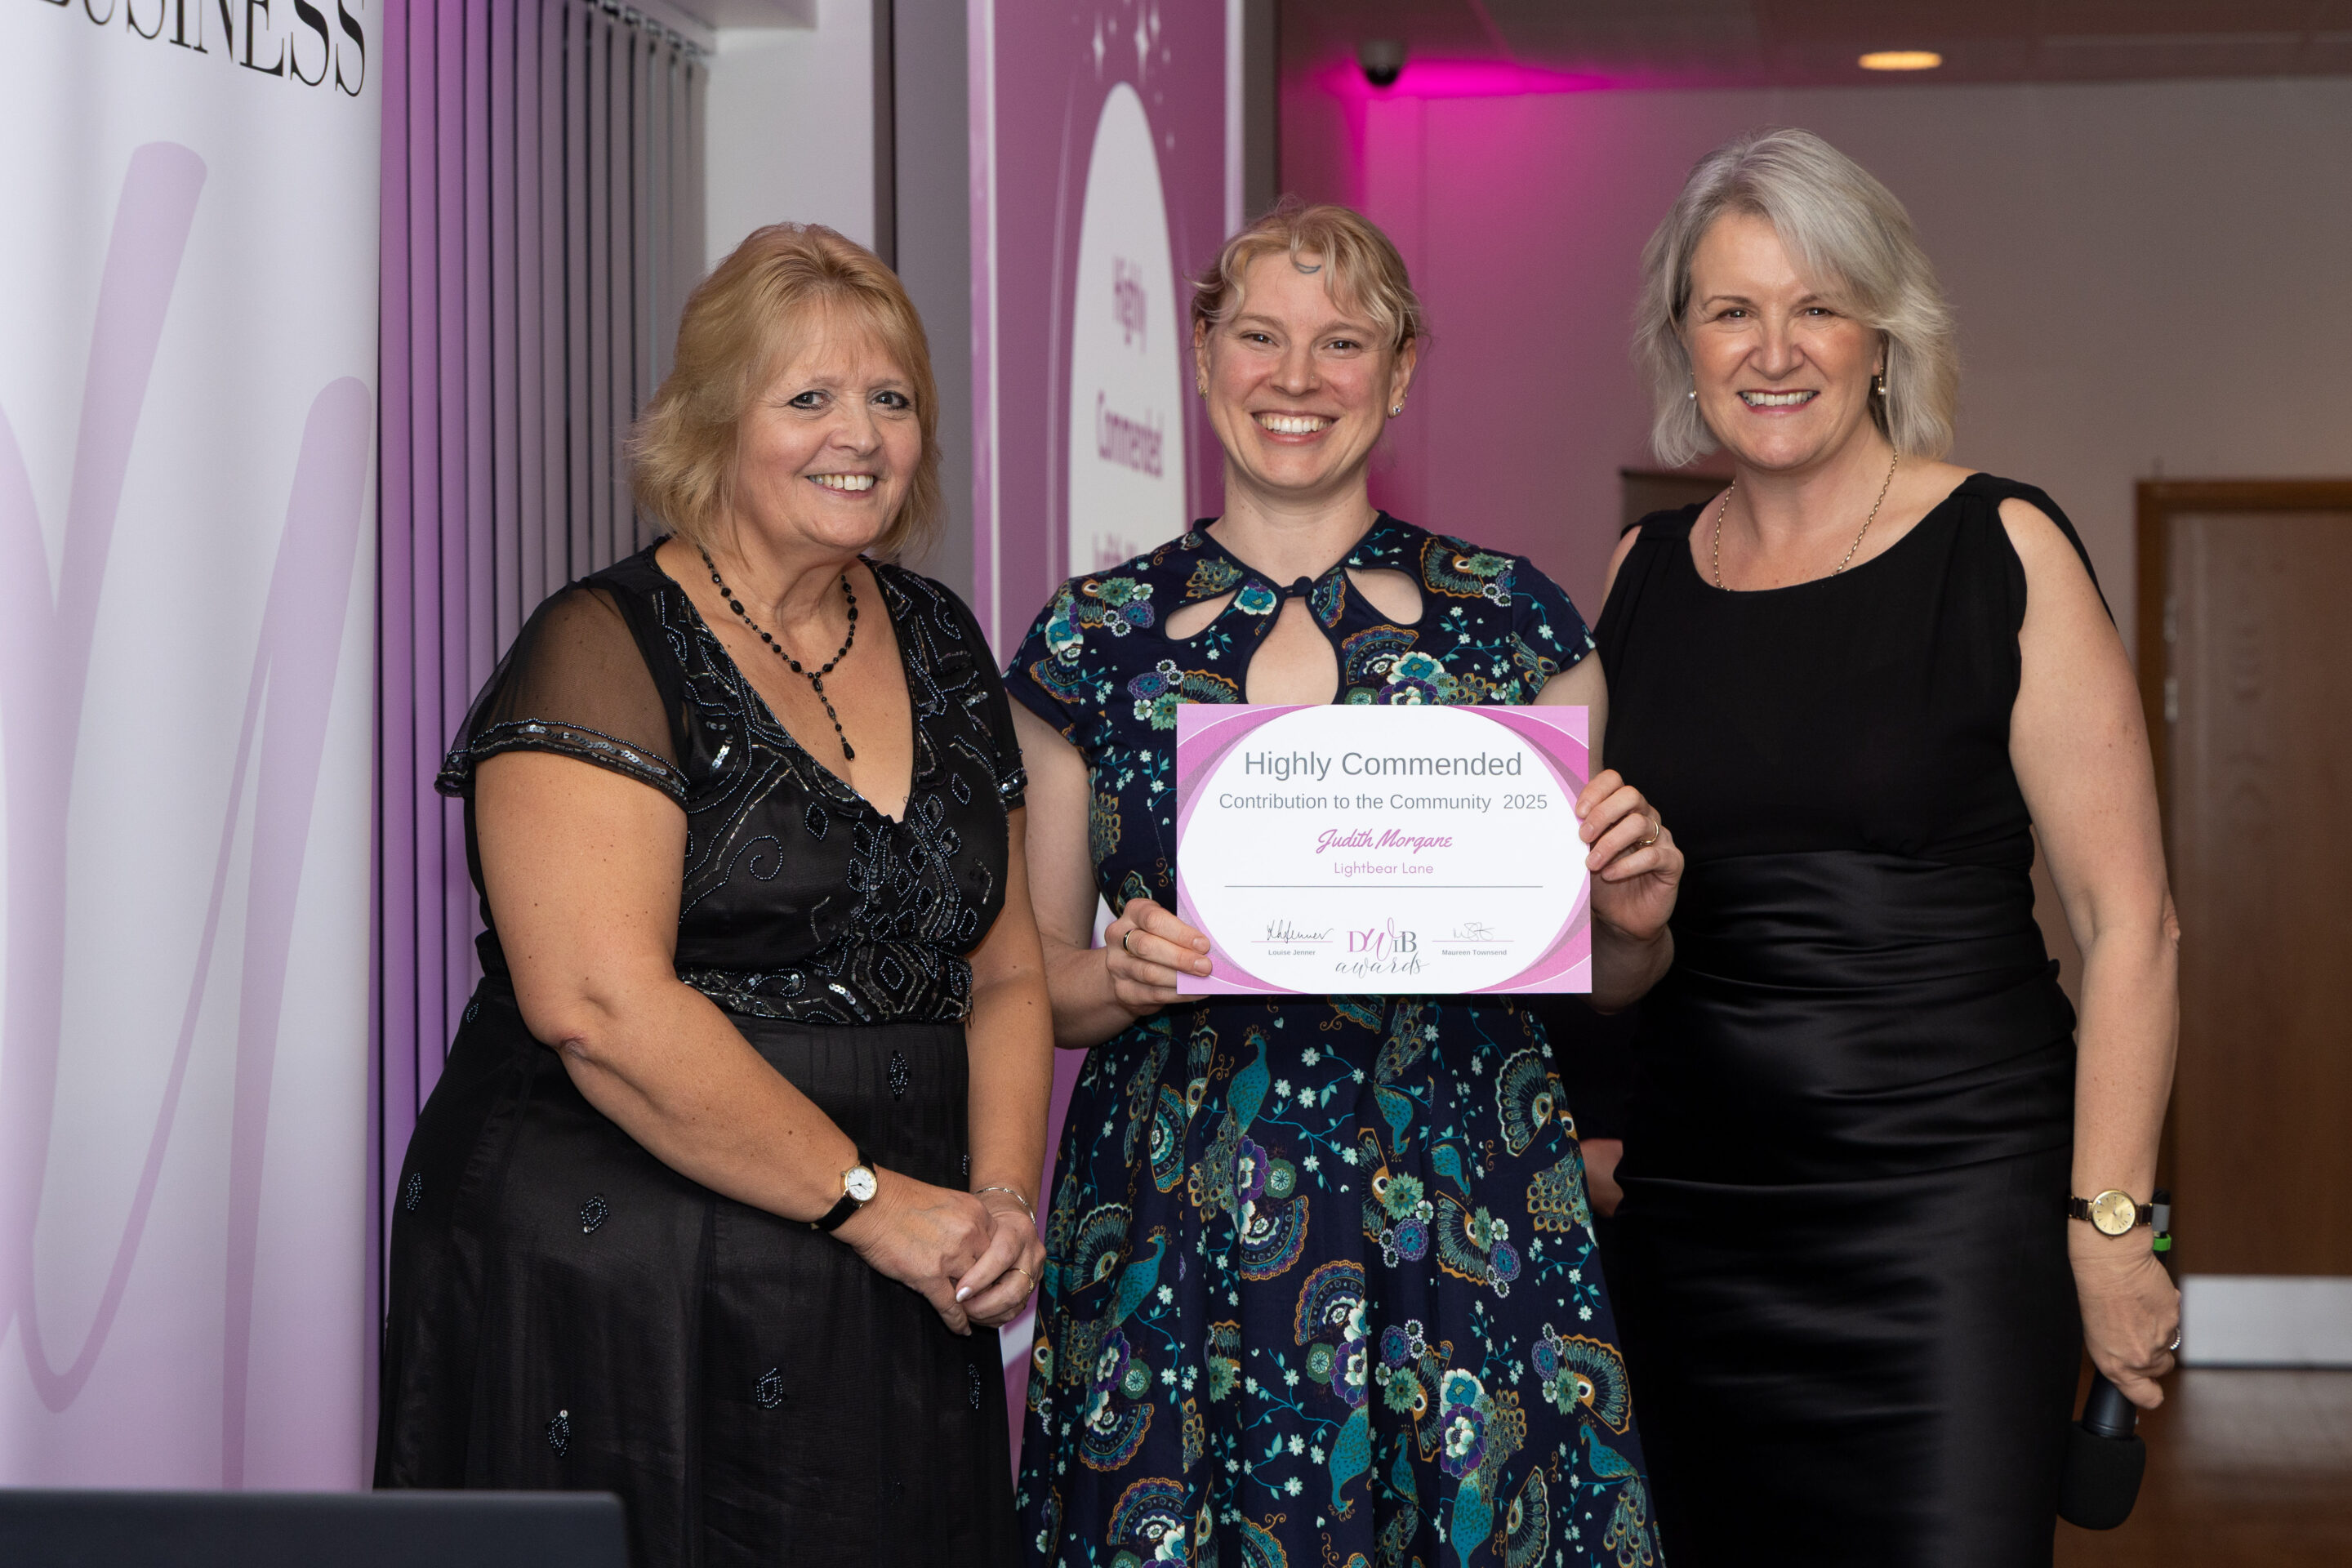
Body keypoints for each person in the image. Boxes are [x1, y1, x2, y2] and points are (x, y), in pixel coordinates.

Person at [1005, 201, 1682, 1568]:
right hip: (1175, 1216)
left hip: (1460, 1200)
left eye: (1343, 343)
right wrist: (1120, 972)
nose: (1297, 379)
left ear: (1404, 367)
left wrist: (1634, 922)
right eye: (1260, 336)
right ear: (1202, 355)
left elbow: (1600, 977)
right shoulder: (1092, 640)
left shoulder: (1518, 623)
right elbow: (1037, 990)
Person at [376, 225, 1052, 1567]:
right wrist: (874, 1203)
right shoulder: (598, 647)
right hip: (623, 1282)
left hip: (906, 1277)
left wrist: (999, 1205)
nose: (857, 433)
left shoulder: (943, 638)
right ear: (711, 424)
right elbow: (599, 1010)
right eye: (807, 398)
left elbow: (1012, 970)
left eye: (891, 398)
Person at [1597, 130, 2181, 1565]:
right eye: (1732, 308)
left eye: (1818, 303)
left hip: (1950, 1223)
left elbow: (2132, 929)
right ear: (1684, 340)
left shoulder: (2003, 548)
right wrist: (1627, 931)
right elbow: (1618, 948)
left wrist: (2113, 1228)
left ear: (1882, 334)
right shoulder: (1637, 578)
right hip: (1695, 1231)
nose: (1774, 347)